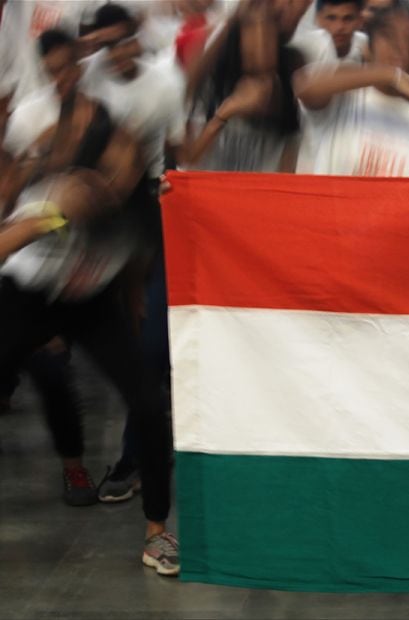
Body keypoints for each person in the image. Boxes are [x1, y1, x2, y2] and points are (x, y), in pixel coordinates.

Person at [0, 28, 178, 576]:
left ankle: (156, 533)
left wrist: (130, 294)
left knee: (149, 403)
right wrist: (52, 210)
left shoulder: (130, 191)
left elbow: (133, 242)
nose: (120, 174)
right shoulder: (45, 164)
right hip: (28, 290)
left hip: (92, 298)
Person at [80, 2, 187, 504]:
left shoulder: (164, 84)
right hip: (96, 216)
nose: (117, 54)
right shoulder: (86, 82)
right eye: (105, 46)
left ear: (137, 38)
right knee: (125, 344)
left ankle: (137, 455)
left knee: (147, 347)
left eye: (123, 42)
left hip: (151, 210)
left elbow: (178, 152)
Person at [294, 3, 409, 176]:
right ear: (368, 47)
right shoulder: (344, 93)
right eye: (389, 36)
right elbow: (305, 85)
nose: (401, 47)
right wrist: (390, 75)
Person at [184, 0, 303, 172]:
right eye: (251, 34)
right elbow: (188, 159)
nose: (260, 44)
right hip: (206, 190)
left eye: (268, 36)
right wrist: (225, 114)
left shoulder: (288, 86)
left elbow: (287, 168)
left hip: (257, 194)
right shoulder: (214, 84)